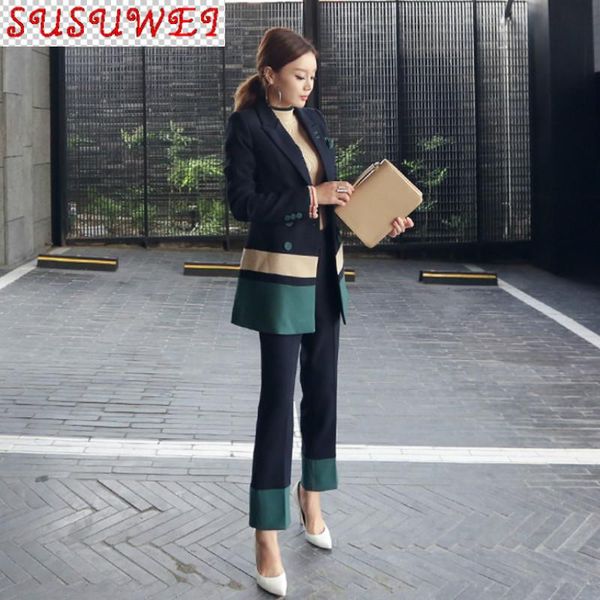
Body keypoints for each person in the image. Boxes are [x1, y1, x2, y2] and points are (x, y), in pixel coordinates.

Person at [223, 26, 414, 597]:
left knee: (323, 393)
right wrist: (311, 196)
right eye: (299, 75)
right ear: (270, 75)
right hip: (281, 279)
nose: (308, 86)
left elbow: (336, 198)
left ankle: (312, 496)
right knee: (277, 402)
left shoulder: (314, 120)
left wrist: (380, 218)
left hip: (325, 276)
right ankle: (266, 533)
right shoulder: (246, 126)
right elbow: (241, 202)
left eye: (312, 76)